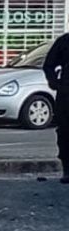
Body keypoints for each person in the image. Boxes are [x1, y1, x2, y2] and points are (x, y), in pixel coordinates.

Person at [41, 33, 69, 183]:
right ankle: (67, 170)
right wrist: (54, 82)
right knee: (65, 132)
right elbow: (49, 64)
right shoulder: (64, 41)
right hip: (66, 93)